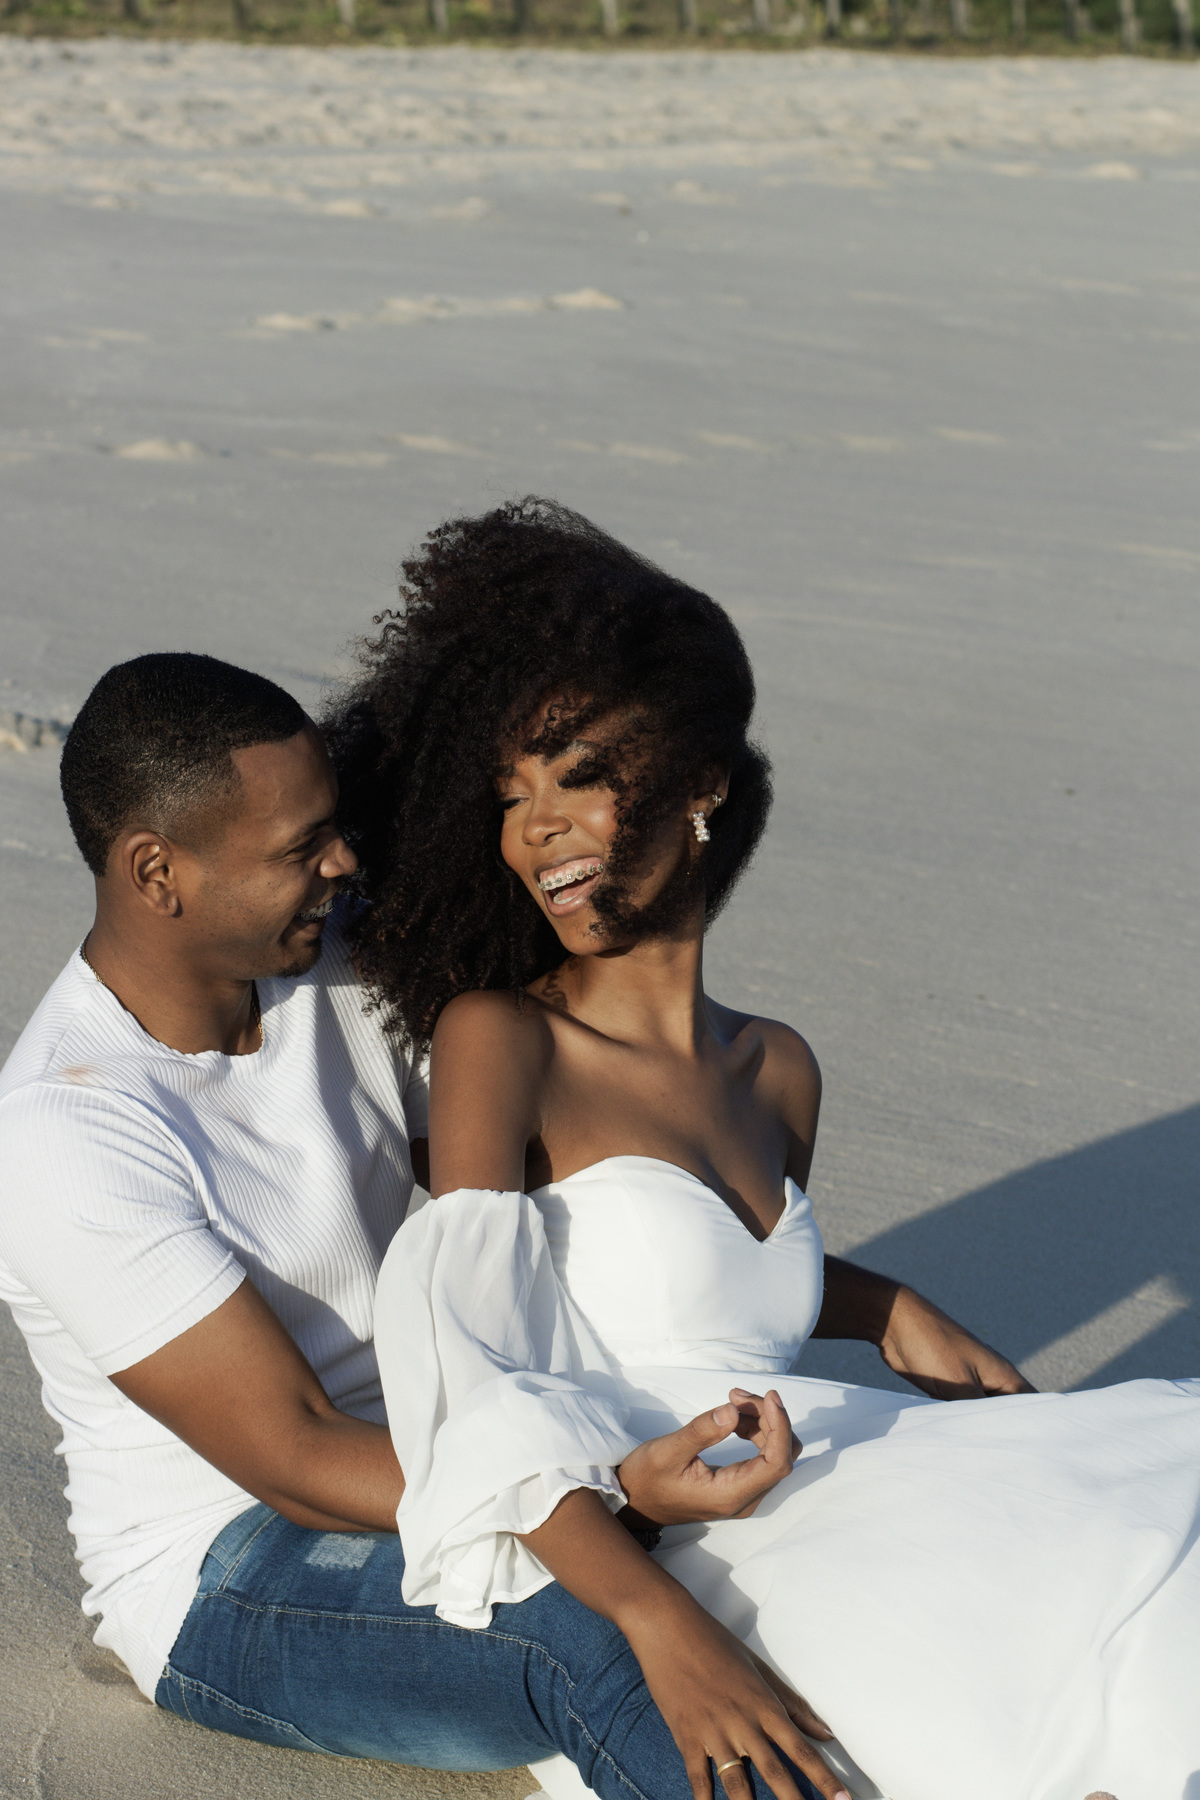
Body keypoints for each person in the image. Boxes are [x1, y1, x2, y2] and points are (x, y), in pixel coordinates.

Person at [326, 498, 1200, 1800]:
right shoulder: (504, 1040)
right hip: (696, 1534)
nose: (536, 827)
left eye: (578, 775)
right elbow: (475, 1379)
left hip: (837, 1459)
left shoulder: (778, 1067)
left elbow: (695, 1283)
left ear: (702, 782)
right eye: (510, 797)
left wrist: (882, 1303)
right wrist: (654, 1624)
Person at [0, 651, 861, 1800]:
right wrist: (603, 1490)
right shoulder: (67, 1129)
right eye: (301, 848)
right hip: (233, 1561)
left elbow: (574, 1176)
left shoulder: (339, 962)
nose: (343, 864)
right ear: (158, 872)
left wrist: (878, 1306)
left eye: (337, 828)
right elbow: (297, 1452)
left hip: (482, 1434)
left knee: (815, 1547)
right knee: (594, 1634)